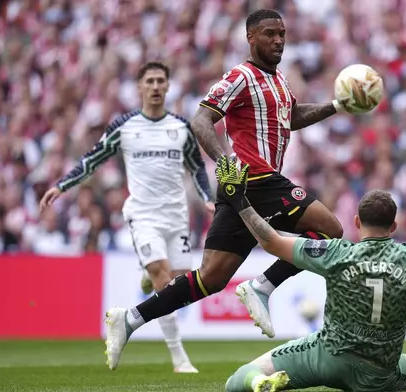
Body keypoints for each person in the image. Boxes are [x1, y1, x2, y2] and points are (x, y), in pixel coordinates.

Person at [103, 9, 352, 370]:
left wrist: (336, 106)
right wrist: (223, 162)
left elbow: (292, 118)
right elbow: (202, 119)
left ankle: (130, 319)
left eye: (281, 34)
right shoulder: (240, 76)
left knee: (212, 278)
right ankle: (261, 287)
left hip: (244, 188)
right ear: (251, 38)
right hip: (256, 179)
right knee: (331, 230)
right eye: (269, 34)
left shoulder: (279, 80)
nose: (278, 40)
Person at [213, 156, 406, 391]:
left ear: (356, 222)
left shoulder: (336, 252)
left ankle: (260, 384)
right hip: (380, 374)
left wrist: (239, 199)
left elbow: (271, 241)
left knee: (239, 378)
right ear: (394, 226)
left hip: (327, 358)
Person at [40, 62, 213, 374]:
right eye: (150, 81)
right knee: (163, 279)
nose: (156, 86)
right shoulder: (124, 126)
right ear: (140, 87)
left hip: (177, 218)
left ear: (168, 86)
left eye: (161, 80)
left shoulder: (181, 128)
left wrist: (207, 199)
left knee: (179, 289)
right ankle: (179, 358)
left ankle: (147, 275)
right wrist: (60, 185)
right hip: (143, 215)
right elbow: (92, 159)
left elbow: (197, 167)